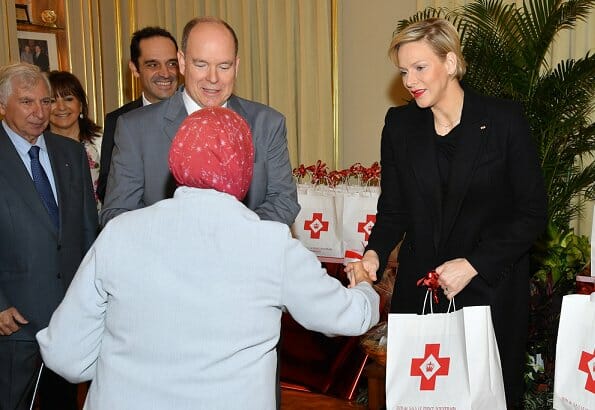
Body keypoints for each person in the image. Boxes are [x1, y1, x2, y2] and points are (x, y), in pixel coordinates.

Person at [37, 107, 379, 410]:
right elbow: (347, 318)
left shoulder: (120, 233)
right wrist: (364, 287)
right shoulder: (270, 243)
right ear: (245, 166)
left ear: (176, 159)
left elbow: (65, 354)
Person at [345, 18, 547, 408]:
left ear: (451, 63)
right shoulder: (400, 125)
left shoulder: (504, 121)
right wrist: (373, 253)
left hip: (488, 291)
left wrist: (473, 264)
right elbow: (393, 209)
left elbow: (532, 213)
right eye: (404, 71)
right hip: (421, 295)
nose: (410, 80)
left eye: (420, 68)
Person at [100, 17, 300, 227]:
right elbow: (117, 213)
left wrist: (233, 238)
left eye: (224, 66)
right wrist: (185, 242)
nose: (213, 78)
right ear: (183, 63)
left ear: (236, 66)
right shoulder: (135, 128)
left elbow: (283, 201)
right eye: (201, 64)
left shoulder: (267, 124)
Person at [0, 63, 98, 410]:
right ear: (3, 106)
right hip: (14, 321)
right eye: (27, 102)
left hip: (68, 317)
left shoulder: (70, 153)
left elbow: (88, 230)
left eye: (44, 101)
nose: (40, 112)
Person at [96, 26, 180, 203]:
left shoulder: (196, 115)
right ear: (135, 69)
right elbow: (107, 186)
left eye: (172, 63)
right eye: (153, 65)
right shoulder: (120, 120)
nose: (165, 73)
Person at [48, 71, 102, 205]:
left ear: (81, 104)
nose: (61, 107)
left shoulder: (102, 142)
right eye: (52, 101)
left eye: (68, 99)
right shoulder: (36, 148)